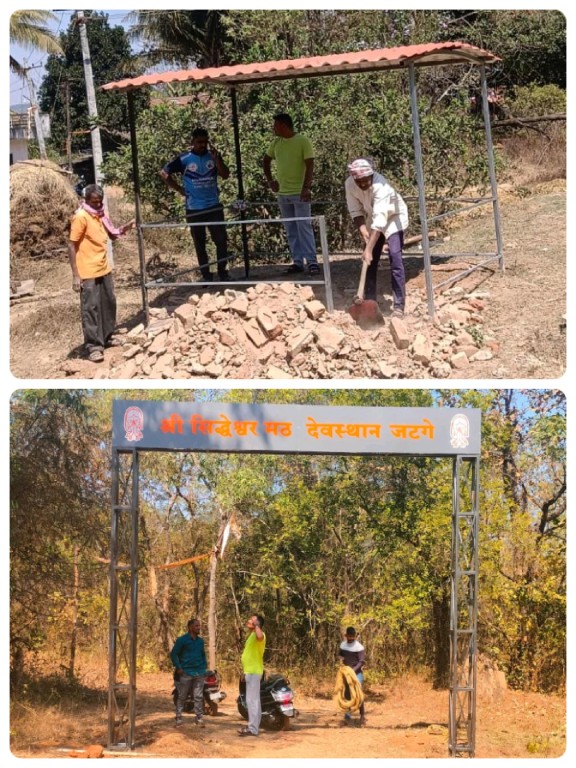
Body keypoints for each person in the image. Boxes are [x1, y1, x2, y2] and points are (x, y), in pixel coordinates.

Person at [68, 184, 134, 363]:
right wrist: (75, 275)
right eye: (94, 202)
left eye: (99, 202)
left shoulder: (100, 215)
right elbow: (72, 245)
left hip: (103, 267)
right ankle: (94, 346)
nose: (97, 205)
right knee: (91, 308)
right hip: (87, 270)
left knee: (108, 303)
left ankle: (107, 337)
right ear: (86, 200)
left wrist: (124, 229)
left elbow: (111, 234)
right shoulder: (81, 217)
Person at [160, 127, 230, 282]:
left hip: (213, 206)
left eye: (205, 142)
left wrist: (217, 159)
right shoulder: (184, 158)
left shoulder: (213, 156)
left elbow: (225, 175)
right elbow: (164, 173)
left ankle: (222, 271)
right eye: (199, 142)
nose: (202, 145)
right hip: (194, 208)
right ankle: (206, 275)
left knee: (221, 240)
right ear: (192, 142)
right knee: (200, 243)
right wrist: (179, 189)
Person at [345, 158, 409, 318]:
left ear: (371, 175)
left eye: (365, 181)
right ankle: (370, 301)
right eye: (359, 181)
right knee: (370, 262)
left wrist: (368, 249)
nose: (362, 184)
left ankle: (399, 306)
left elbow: (381, 220)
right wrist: (363, 231)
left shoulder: (382, 186)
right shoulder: (350, 184)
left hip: (394, 217)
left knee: (395, 257)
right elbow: (355, 210)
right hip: (373, 218)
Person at [263, 113, 320, 276]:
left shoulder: (302, 140)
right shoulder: (276, 142)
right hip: (283, 193)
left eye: (275, 125)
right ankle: (297, 262)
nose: (273, 128)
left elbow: (310, 165)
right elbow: (266, 161)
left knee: (304, 227)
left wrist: (307, 187)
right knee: (290, 228)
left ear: (283, 125)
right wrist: (270, 180)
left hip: (299, 193)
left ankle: (312, 262)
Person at [170, 618, 208, 728]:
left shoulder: (200, 641)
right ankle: (178, 718)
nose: (199, 628)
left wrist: (204, 667)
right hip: (186, 672)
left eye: (199, 626)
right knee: (182, 696)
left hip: (199, 672)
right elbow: (173, 654)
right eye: (196, 626)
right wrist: (179, 667)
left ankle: (199, 718)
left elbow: (203, 654)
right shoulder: (182, 640)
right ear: (190, 627)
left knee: (198, 696)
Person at [238, 613, 266, 737]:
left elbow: (260, 636)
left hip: (254, 672)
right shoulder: (251, 636)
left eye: (252, 620)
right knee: (254, 700)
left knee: (252, 701)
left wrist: (256, 625)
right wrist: (245, 672)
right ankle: (254, 727)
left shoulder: (259, 635)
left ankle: (253, 729)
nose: (249, 621)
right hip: (250, 672)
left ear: (257, 624)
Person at [338, 626, 367, 727]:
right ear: (346, 636)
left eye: (352, 636)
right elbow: (340, 655)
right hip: (346, 673)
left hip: (357, 673)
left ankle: (362, 716)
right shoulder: (343, 645)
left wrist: (353, 671)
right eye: (349, 636)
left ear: (355, 636)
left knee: (359, 694)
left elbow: (362, 661)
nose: (350, 638)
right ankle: (347, 716)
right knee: (347, 694)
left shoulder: (359, 647)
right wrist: (341, 659)